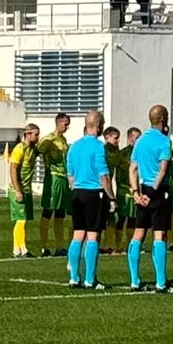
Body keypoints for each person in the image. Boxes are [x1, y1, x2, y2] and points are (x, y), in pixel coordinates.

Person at [126, 106, 173, 292]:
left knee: (138, 234)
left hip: (142, 190)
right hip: (158, 191)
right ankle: (161, 282)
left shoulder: (140, 141)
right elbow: (162, 171)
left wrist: (136, 193)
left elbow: (132, 169)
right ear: (163, 119)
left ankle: (134, 280)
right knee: (159, 234)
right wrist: (152, 193)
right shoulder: (164, 141)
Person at [64, 111, 112, 290]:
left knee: (78, 234)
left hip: (77, 192)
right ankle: (90, 279)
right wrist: (112, 197)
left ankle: (74, 278)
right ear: (98, 125)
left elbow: (70, 175)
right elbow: (103, 175)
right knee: (93, 235)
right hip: (94, 193)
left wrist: (76, 188)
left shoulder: (74, 146)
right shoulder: (98, 146)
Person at [38, 113, 71, 258]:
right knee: (48, 211)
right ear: (58, 123)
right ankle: (44, 247)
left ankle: (59, 246)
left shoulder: (63, 140)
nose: (67, 127)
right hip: (52, 178)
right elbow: (39, 149)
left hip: (63, 179)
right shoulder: (48, 139)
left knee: (60, 214)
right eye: (65, 124)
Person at [5, 124, 40, 257]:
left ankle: (16, 250)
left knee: (22, 219)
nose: (38, 137)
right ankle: (24, 249)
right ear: (28, 134)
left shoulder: (32, 149)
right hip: (18, 190)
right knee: (21, 220)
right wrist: (17, 190)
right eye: (36, 134)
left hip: (27, 189)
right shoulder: (19, 149)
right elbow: (13, 169)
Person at [101, 126, 129, 256]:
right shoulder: (103, 150)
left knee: (112, 216)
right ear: (107, 137)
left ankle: (107, 245)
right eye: (115, 138)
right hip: (100, 186)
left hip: (109, 186)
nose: (118, 141)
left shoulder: (116, 151)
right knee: (101, 218)